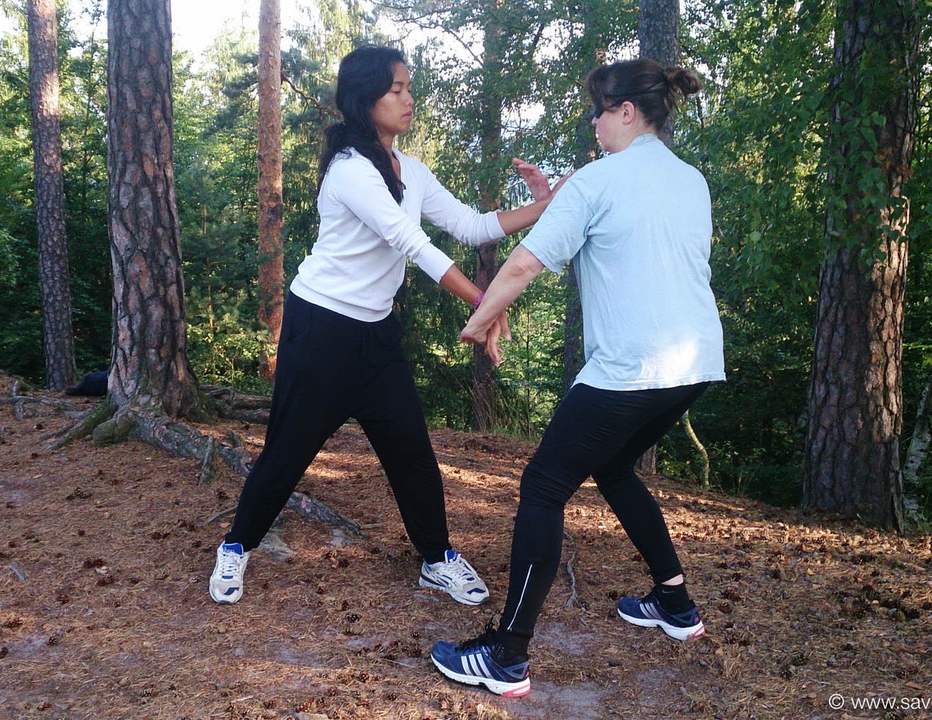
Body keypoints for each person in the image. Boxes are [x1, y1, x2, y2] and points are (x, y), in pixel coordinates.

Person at [209, 45, 566, 607]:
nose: (408, 98)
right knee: (288, 451)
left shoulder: (413, 172)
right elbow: (411, 242)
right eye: (396, 89)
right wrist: (487, 303)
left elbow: (473, 227)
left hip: (375, 335)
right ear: (364, 98)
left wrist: (545, 205)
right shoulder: (351, 170)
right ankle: (236, 546)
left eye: (408, 87)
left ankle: (436, 559)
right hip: (321, 328)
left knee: (411, 452)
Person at [429, 58, 724, 697]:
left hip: (631, 367)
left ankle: (506, 656)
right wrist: (559, 195)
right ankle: (675, 604)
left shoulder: (598, 180)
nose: (592, 123)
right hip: (694, 363)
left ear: (625, 111)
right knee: (614, 469)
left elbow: (524, 265)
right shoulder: (690, 180)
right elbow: (629, 217)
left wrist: (481, 320)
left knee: (543, 486)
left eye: (598, 111)